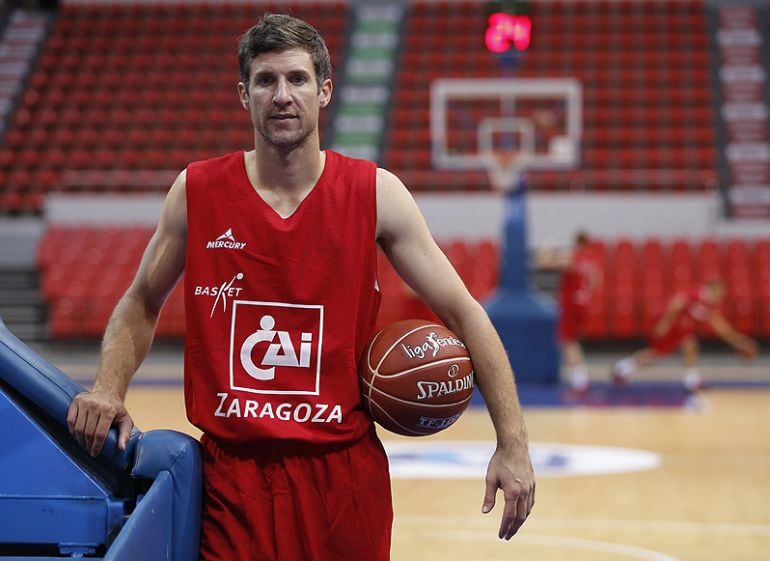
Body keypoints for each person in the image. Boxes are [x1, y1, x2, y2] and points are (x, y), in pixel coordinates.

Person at [66, 13, 535, 561]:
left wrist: (513, 443)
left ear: (325, 90)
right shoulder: (197, 190)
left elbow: (463, 311)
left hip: (342, 480)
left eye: (297, 79)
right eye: (266, 80)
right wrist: (108, 387)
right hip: (232, 483)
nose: (282, 95)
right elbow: (142, 301)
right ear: (244, 95)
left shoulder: (376, 193)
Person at [611, 278, 758, 392]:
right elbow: (676, 303)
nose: (722, 296)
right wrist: (664, 324)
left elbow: (722, 328)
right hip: (669, 323)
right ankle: (623, 368)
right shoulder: (698, 295)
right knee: (667, 350)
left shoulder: (709, 306)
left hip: (680, 328)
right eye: (721, 292)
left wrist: (740, 342)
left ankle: (623, 368)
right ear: (715, 289)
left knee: (676, 348)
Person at [537, 231, 600, 393]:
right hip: (584, 303)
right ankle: (580, 376)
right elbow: (596, 281)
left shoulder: (573, 256)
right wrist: (585, 294)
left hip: (571, 303)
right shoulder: (590, 259)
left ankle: (580, 380)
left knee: (567, 340)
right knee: (572, 340)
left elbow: (544, 263)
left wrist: (547, 248)